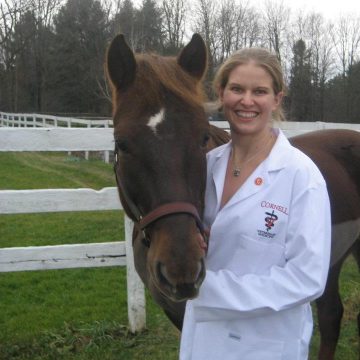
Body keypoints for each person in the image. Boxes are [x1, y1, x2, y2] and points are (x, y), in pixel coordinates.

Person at [179, 48, 331, 360]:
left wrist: (207, 290)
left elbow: (307, 278)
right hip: (203, 340)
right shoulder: (206, 167)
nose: (246, 101)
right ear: (221, 94)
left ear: (276, 99)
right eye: (237, 89)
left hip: (266, 345)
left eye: (259, 91)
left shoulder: (300, 176)